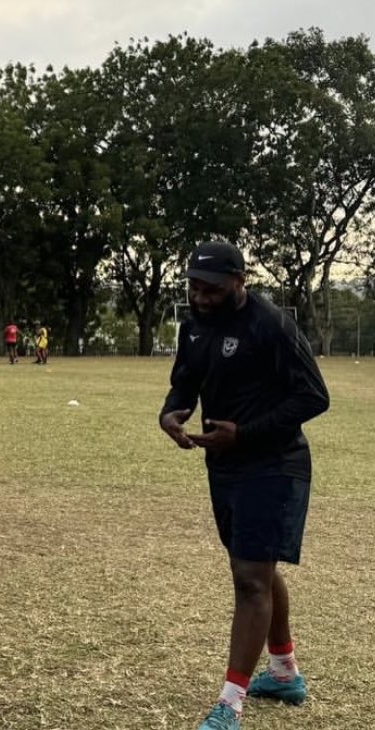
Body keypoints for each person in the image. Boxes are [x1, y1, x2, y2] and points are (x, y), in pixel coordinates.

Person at [159, 241, 329, 730]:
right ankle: (284, 672)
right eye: (193, 285)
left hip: (274, 463)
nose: (200, 295)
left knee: (251, 577)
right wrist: (171, 411)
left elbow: (315, 396)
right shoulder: (193, 325)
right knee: (254, 566)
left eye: (210, 288)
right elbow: (185, 379)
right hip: (224, 465)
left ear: (239, 280)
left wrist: (247, 433)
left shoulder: (270, 324)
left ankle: (229, 704)